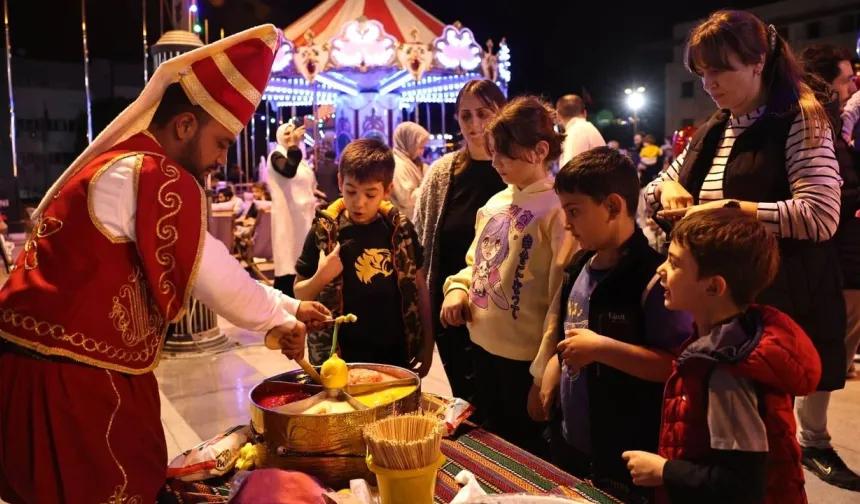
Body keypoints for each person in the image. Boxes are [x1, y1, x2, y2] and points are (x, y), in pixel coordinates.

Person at [0, 25, 326, 504]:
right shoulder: (153, 173)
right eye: (219, 143)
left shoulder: (129, 165)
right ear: (184, 126)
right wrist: (281, 317)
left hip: (58, 370)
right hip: (69, 383)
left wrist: (287, 308)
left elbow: (203, 266)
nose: (219, 160)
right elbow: (214, 276)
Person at [643, 10, 851, 489]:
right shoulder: (716, 127)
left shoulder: (800, 116)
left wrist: (731, 209)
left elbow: (820, 215)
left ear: (759, 62)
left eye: (722, 69)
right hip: (719, 311)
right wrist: (668, 195)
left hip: (774, 306)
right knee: (712, 435)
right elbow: (654, 191)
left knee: (758, 450)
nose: (710, 83)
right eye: (702, 72)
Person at [623, 208, 822, 504]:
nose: (660, 269)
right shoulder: (721, 343)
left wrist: (664, 471)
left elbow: (741, 485)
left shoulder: (728, 369)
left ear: (714, 286)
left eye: (675, 263)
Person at [532, 147, 691, 502]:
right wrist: (555, 365)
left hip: (626, 445)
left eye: (574, 211)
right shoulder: (578, 267)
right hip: (573, 437)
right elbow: (568, 334)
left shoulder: (652, 279)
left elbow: (675, 365)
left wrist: (603, 349)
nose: (567, 223)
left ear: (614, 207)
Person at [440, 96, 571, 457]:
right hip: (480, 349)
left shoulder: (557, 210)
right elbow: (476, 263)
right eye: (493, 151)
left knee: (524, 454)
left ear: (540, 150)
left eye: (505, 154)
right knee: (490, 445)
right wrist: (458, 289)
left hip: (523, 363)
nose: (495, 162)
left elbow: (560, 297)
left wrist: (542, 370)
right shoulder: (495, 202)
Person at [294, 138, 434, 377]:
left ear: (387, 190)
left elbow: (420, 288)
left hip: (394, 353)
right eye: (351, 191)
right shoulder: (324, 232)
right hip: (338, 357)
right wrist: (322, 276)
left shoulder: (401, 231)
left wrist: (428, 347)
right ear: (340, 181)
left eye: (371, 194)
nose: (359, 202)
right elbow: (299, 294)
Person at [414, 79, 507, 417]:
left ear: (502, 113)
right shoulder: (442, 174)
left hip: (503, 317)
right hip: (450, 317)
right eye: (466, 116)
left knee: (501, 411)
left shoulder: (515, 170)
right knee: (466, 407)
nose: (475, 124)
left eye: (484, 113)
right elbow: (420, 252)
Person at [800, 44, 860, 386]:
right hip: (835, 257)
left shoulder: (836, 126)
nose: (853, 87)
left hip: (844, 254)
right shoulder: (813, 126)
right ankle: (813, 435)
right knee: (826, 350)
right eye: (847, 79)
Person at [269, 122, 317, 298]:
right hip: (287, 217)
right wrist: (293, 146)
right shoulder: (277, 155)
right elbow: (288, 171)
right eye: (286, 133)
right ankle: (284, 303)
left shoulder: (301, 160)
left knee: (303, 256)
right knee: (289, 258)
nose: (290, 136)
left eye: (292, 132)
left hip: (303, 216)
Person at [390, 121, 431, 220]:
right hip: (405, 223)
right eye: (420, 147)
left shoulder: (412, 161)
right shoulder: (398, 164)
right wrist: (430, 186)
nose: (421, 152)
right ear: (409, 143)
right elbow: (406, 199)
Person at [556, 94, 606, 168]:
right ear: (585, 113)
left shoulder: (576, 131)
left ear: (557, 116)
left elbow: (570, 175)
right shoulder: (585, 128)